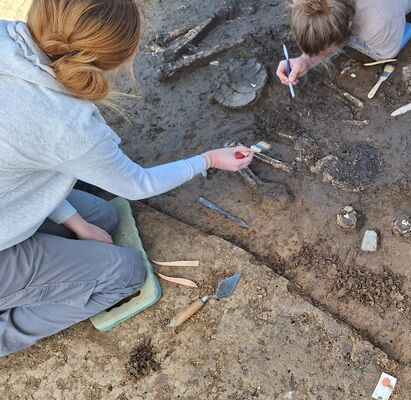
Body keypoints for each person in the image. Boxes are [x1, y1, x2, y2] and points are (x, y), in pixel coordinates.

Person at [0, 0, 255, 356]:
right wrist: (208, 159)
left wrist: (75, 222)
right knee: (125, 274)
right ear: (111, 60)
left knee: (104, 218)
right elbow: (138, 185)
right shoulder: (69, 124)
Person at [276, 0, 411, 86]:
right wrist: (305, 60)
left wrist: (311, 59)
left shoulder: (378, 24)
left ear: (349, 26)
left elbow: (387, 53)